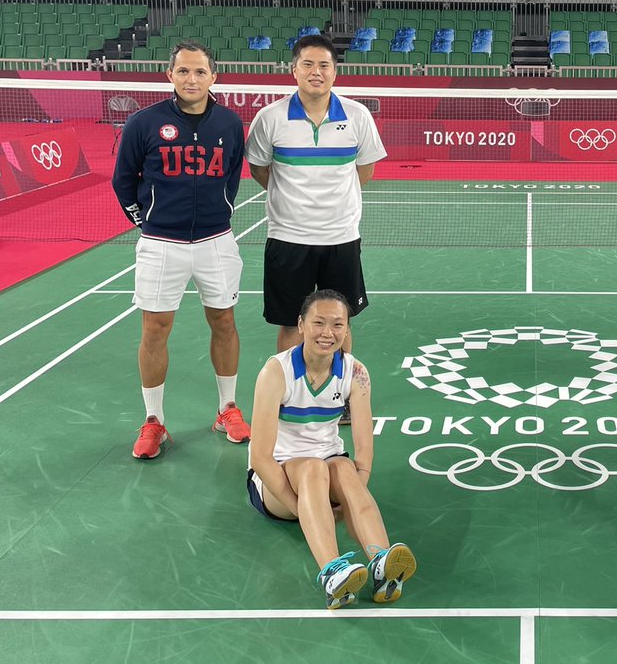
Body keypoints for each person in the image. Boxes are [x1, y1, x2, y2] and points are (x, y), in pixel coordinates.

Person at [112, 41, 249, 460]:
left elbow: (231, 177)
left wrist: (218, 213)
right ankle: (153, 421)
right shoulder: (143, 122)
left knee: (224, 322)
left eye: (200, 72)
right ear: (169, 75)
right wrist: (147, 223)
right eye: (184, 72)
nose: (192, 79)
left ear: (214, 76)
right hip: (160, 244)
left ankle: (227, 408)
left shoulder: (229, 123)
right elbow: (123, 180)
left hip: (215, 241)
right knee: (155, 329)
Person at [247, 289, 417, 609]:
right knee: (312, 467)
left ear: (347, 330)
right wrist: (303, 510)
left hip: (329, 469)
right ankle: (333, 573)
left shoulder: (356, 373)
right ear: (301, 325)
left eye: (338, 325)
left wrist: (351, 500)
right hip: (277, 479)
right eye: (319, 323)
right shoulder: (276, 372)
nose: (328, 333)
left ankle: (381, 564)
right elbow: (260, 458)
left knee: (344, 467)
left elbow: (364, 450)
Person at [245, 34, 386, 356]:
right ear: (293, 70)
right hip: (289, 237)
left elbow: (365, 170)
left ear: (335, 72)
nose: (316, 72)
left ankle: (343, 393)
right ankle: (290, 395)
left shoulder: (357, 116)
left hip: (341, 236)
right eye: (307, 64)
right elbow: (259, 169)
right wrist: (292, 197)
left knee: (340, 321)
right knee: (291, 322)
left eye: (324, 65)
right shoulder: (270, 118)